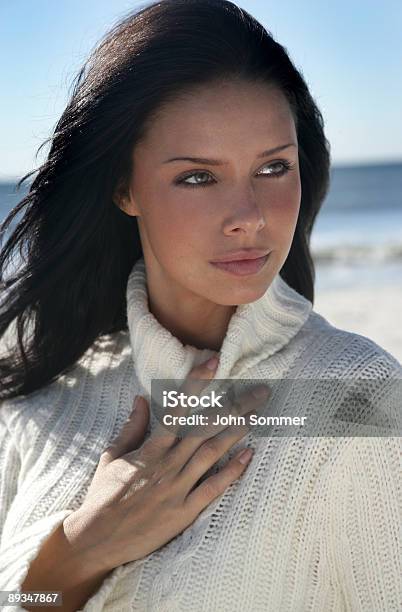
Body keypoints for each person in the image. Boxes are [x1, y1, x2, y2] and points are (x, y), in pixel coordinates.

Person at [0, 0, 401, 610]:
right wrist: (81, 550)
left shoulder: (361, 399)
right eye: (197, 177)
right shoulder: (47, 391)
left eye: (273, 167)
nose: (250, 218)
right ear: (124, 187)